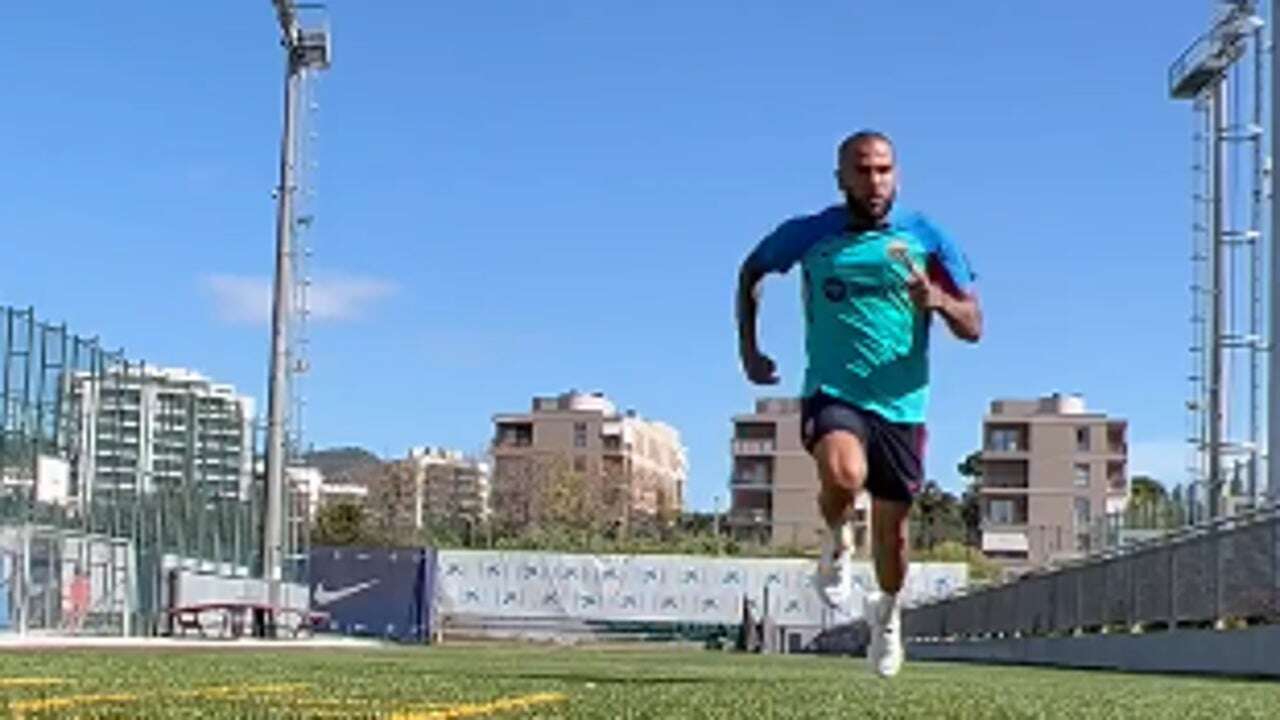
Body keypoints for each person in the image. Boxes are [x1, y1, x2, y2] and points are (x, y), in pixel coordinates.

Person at [735, 131, 982, 677]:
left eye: (884, 170)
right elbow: (751, 270)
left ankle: (887, 619)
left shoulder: (927, 237)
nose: (875, 182)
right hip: (833, 390)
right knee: (844, 475)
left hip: (902, 406)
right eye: (863, 171)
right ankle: (836, 540)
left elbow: (974, 326)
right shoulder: (810, 234)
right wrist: (749, 348)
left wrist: (938, 301)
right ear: (841, 178)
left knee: (894, 535)